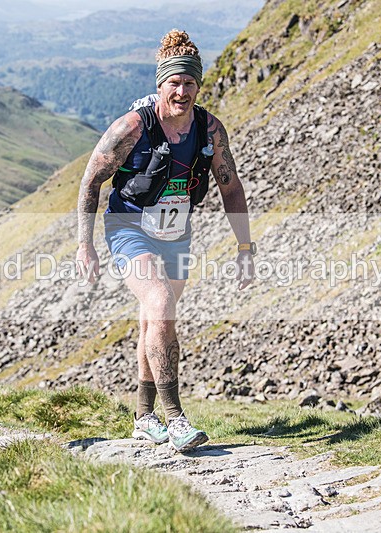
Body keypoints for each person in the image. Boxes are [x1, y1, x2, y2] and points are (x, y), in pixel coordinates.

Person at [76, 30, 255, 452]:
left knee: (155, 318)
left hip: (176, 232)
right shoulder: (131, 128)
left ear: (198, 85)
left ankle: (143, 417)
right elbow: (90, 181)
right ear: (160, 84)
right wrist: (84, 245)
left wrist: (245, 247)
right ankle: (174, 417)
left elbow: (230, 187)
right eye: (174, 82)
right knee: (159, 303)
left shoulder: (210, 130)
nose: (182, 90)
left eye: (190, 82)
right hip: (128, 227)